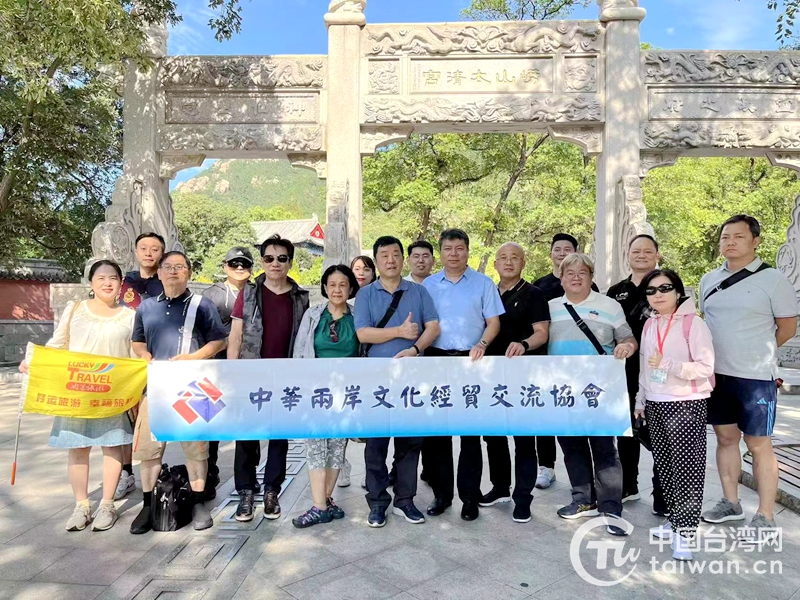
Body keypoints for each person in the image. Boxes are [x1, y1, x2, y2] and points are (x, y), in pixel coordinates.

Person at [700, 215, 798, 538]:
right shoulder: (708, 280)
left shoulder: (773, 280)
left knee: (758, 444)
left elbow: (787, 328)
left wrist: (757, 351)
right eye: (725, 236)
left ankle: (765, 515)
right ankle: (731, 503)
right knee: (726, 439)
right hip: (716, 375)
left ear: (755, 241)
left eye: (739, 236)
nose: (730, 242)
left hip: (755, 378)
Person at [19, 260, 135, 532]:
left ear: (120, 283)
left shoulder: (129, 316)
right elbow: (57, 344)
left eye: (113, 278)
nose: (107, 283)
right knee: (78, 448)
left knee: (112, 447)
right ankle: (81, 506)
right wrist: (34, 361)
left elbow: (134, 355)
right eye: (101, 278)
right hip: (76, 391)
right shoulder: (75, 310)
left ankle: (107, 504)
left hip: (111, 393)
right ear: (91, 282)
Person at [130, 251, 228, 534]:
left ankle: (198, 502)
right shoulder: (146, 307)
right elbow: (137, 340)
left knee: (196, 449)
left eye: (180, 267)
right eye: (168, 267)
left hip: (193, 386)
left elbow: (219, 341)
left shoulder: (202, 304)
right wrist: (143, 354)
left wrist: (194, 358)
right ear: (159, 273)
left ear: (188, 273)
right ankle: (147, 505)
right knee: (149, 450)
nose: (173, 271)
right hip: (156, 386)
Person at [548, 253, 637, 536]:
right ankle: (583, 499)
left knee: (604, 448)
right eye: (570, 273)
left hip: (600, 389)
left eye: (582, 272)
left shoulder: (609, 306)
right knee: (571, 446)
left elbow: (628, 338)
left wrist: (626, 347)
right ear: (561, 278)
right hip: (563, 390)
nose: (576, 278)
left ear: (591, 277)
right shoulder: (550, 307)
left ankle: (611, 508)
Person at [355, 236, 441, 527]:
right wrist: (399, 332)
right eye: (384, 255)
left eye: (395, 254)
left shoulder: (418, 291)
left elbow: (433, 327)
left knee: (409, 442)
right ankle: (378, 502)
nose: (390, 260)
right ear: (376, 261)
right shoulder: (365, 294)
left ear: (403, 259)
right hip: (376, 378)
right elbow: (363, 333)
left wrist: (415, 348)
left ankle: (405, 500)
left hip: (412, 379)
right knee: (376, 444)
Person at [422, 228, 504, 521]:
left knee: (470, 434)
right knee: (439, 434)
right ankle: (442, 495)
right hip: (437, 359)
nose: (454, 254)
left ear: (468, 251)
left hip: (472, 360)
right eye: (448, 249)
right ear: (440, 253)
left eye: (459, 248)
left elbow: (493, 323)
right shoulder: (428, 285)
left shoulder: (484, 283)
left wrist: (482, 343)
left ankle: (469, 497)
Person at [227, 234, 310, 522]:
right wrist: (232, 372)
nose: (275, 263)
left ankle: (272, 490)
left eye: (282, 258)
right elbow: (235, 335)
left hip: (286, 376)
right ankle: (246, 492)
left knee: (279, 435)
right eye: (269, 258)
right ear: (262, 262)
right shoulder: (248, 293)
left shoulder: (301, 298)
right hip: (251, 373)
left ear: (290, 262)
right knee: (246, 435)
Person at [634, 269, 715, 561]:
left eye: (664, 288)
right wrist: (641, 399)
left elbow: (706, 367)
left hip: (686, 403)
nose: (657, 295)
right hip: (655, 402)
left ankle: (686, 533)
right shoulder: (649, 324)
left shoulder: (694, 324)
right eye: (651, 291)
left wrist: (670, 364)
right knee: (665, 466)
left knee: (687, 470)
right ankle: (675, 520)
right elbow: (645, 365)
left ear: (678, 292)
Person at [479, 243, 550, 523]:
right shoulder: (487, 293)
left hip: (523, 376)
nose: (508, 262)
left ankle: (523, 498)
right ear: (495, 263)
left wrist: (524, 344)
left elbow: (542, 332)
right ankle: (500, 488)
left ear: (523, 263)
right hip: (491, 376)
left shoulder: (534, 294)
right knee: (494, 436)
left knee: (524, 440)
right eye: (503, 258)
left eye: (515, 258)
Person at [291, 265, 361, 527]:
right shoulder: (313, 315)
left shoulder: (358, 317)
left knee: (337, 447)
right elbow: (300, 352)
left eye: (343, 284)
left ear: (351, 288)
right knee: (316, 447)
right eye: (332, 284)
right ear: (324, 287)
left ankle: (326, 501)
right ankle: (319, 505)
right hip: (316, 392)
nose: (337, 289)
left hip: (347, 393)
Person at [531, 233, 597, 489]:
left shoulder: (591, 287)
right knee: (546, 416)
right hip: (548, 360)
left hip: (582, 366)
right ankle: (546, 466)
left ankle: (586, 474)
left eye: (566, 249)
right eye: (557, 249)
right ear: (550, 254)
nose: (561, 253)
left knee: (581, 417)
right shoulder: (539, 286)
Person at [607, 234, 666, 513]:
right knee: (626, 429)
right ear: (627, 255)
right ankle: (628, 484)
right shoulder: (616, 291)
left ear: (657, 255)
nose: (641, 255)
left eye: (647, 251)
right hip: (625, 370)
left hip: (659, 370)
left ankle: (662, 492)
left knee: (660, 433)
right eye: (636, 251)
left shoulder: (666, 285)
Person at [201, 246, 256, 499]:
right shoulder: (212, 294)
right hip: (216, 368)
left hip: (247, 368)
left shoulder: (256, 292)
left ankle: (248, 477)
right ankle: (208, 474)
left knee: (247, 423)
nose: (239, 268)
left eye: (244, 264)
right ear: (225, 266)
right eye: (234, 263)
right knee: (212, 423)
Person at [115, 232, 166, 501]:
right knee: (124, 415)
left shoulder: (166, 281)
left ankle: (154, 469)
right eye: (144, 248)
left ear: (162, 253)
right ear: (136, 252)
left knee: (151, 417)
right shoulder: (123, 283)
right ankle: (125, 472)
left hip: (155, 359)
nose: (149, 253)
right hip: (125, 358)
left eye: (154, 249)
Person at [342, 255, 377, 489]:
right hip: (348, 368)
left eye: (366, 269)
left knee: (370, 423)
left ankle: (370, 472)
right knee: (344, 418)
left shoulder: (378, 298)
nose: (361, 273)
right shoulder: (344, 299)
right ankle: (341, 465)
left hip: (371, 368)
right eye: (356, 269)